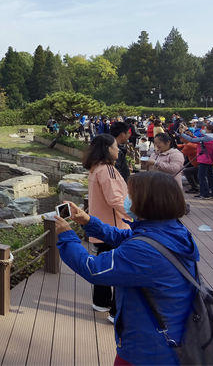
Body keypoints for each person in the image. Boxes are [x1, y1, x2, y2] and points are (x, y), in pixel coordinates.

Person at [55, 172, 199, 365]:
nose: (126, 200)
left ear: (148, 202)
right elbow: (125, 237)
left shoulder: (145, 250)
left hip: (149, 346)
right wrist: (88, 221)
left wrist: (66, 236)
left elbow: (94, 269)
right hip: (173, 329)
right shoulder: (172, 230)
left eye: (130, 195)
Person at [83, 134, 130, 319]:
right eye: (115, 147)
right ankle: (116, 311)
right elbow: (116, 200)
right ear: (107, 149)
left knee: (103, 265)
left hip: (99, 227)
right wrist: (137, 215)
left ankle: (101, 302)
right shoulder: (107, 170)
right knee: (119, 269)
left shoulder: (95, 168)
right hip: (113, 228)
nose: (118, 150)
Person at [179, 123, 213, 199]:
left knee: (201, 177)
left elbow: (192, 140)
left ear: (209, 130)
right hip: (210, 159)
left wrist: (182, 134)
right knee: (210, 176)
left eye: (205, 129)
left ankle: (204, 194)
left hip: (204, 160)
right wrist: (192, 135)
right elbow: (198, 141)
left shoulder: (207, 137)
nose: (204, 130)